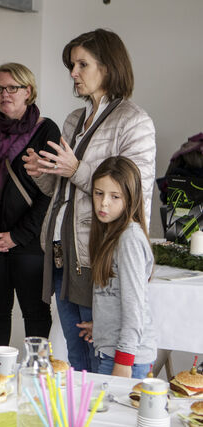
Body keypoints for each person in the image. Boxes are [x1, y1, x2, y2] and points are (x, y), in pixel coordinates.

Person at [22, 28, 156, 372]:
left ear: (108, 68)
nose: (73, 73)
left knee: (102, 360)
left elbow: (132, 191)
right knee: (78, 363)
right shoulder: (74, 119)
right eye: (71, 64)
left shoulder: (134, 121)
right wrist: (42, 173)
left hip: (98, 259)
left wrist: (78, 168)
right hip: (63, 255)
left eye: (82, 64)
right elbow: (61, 191)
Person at [0, 63, 60, 369]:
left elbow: (49, 194)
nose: (4, 94)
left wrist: (17, 236)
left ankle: (39, 377)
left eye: (12, 88)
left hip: (29, 244)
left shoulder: (46, 130)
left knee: (35, 315)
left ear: (28, 91)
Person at [77, 156, 156, 379]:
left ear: (130, 199)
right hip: (113, 350)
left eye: (115, 196)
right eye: (98, 193)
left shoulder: (129, 239)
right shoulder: (110, 234)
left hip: (127, 359)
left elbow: (134, 307)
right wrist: (103, 326)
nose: (103, 203)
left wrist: (123, 362)